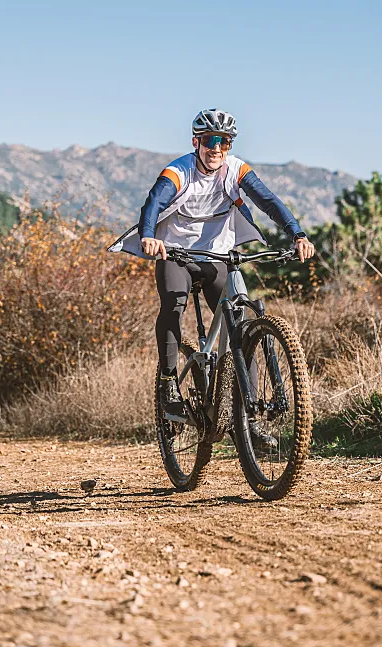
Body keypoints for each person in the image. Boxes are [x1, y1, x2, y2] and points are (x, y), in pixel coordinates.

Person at [134, 110, 315, 436]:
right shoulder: (179, 171)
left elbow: (269, 201)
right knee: (174, 304)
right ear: (196, 142)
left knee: (243, 331)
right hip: (175, 254)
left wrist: (297, 234)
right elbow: (154, 202)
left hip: (217, 256)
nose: (216, 148)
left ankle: (249, 420)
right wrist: (149, 234)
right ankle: (168, 384)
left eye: (224, 142)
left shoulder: (235, 170)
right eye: (209, 141)